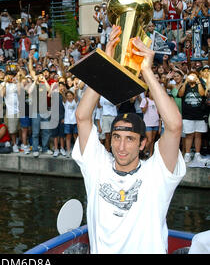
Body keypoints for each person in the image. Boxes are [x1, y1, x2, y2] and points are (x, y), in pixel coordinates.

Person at [72, 25, 186, 253]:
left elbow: (174, 127)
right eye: (116, 137)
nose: (121, 146)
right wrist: (106, 62)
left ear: (143, 143)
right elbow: (82, 117)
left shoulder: (156, 174)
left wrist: (146, 70)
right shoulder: (97, 165)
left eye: (130, 139)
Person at [177, 70, 208, 165]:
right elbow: (180, 94)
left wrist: (198, 82)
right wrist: (185, 82)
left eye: (194, 76)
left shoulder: (201, 84)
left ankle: (197, 154)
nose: (192, 77)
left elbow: (203, 94)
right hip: (187, 115)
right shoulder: (185, 86)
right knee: (189, 135)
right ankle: (187, 154)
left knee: (198, 135)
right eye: (190, 76)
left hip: (200, 115)